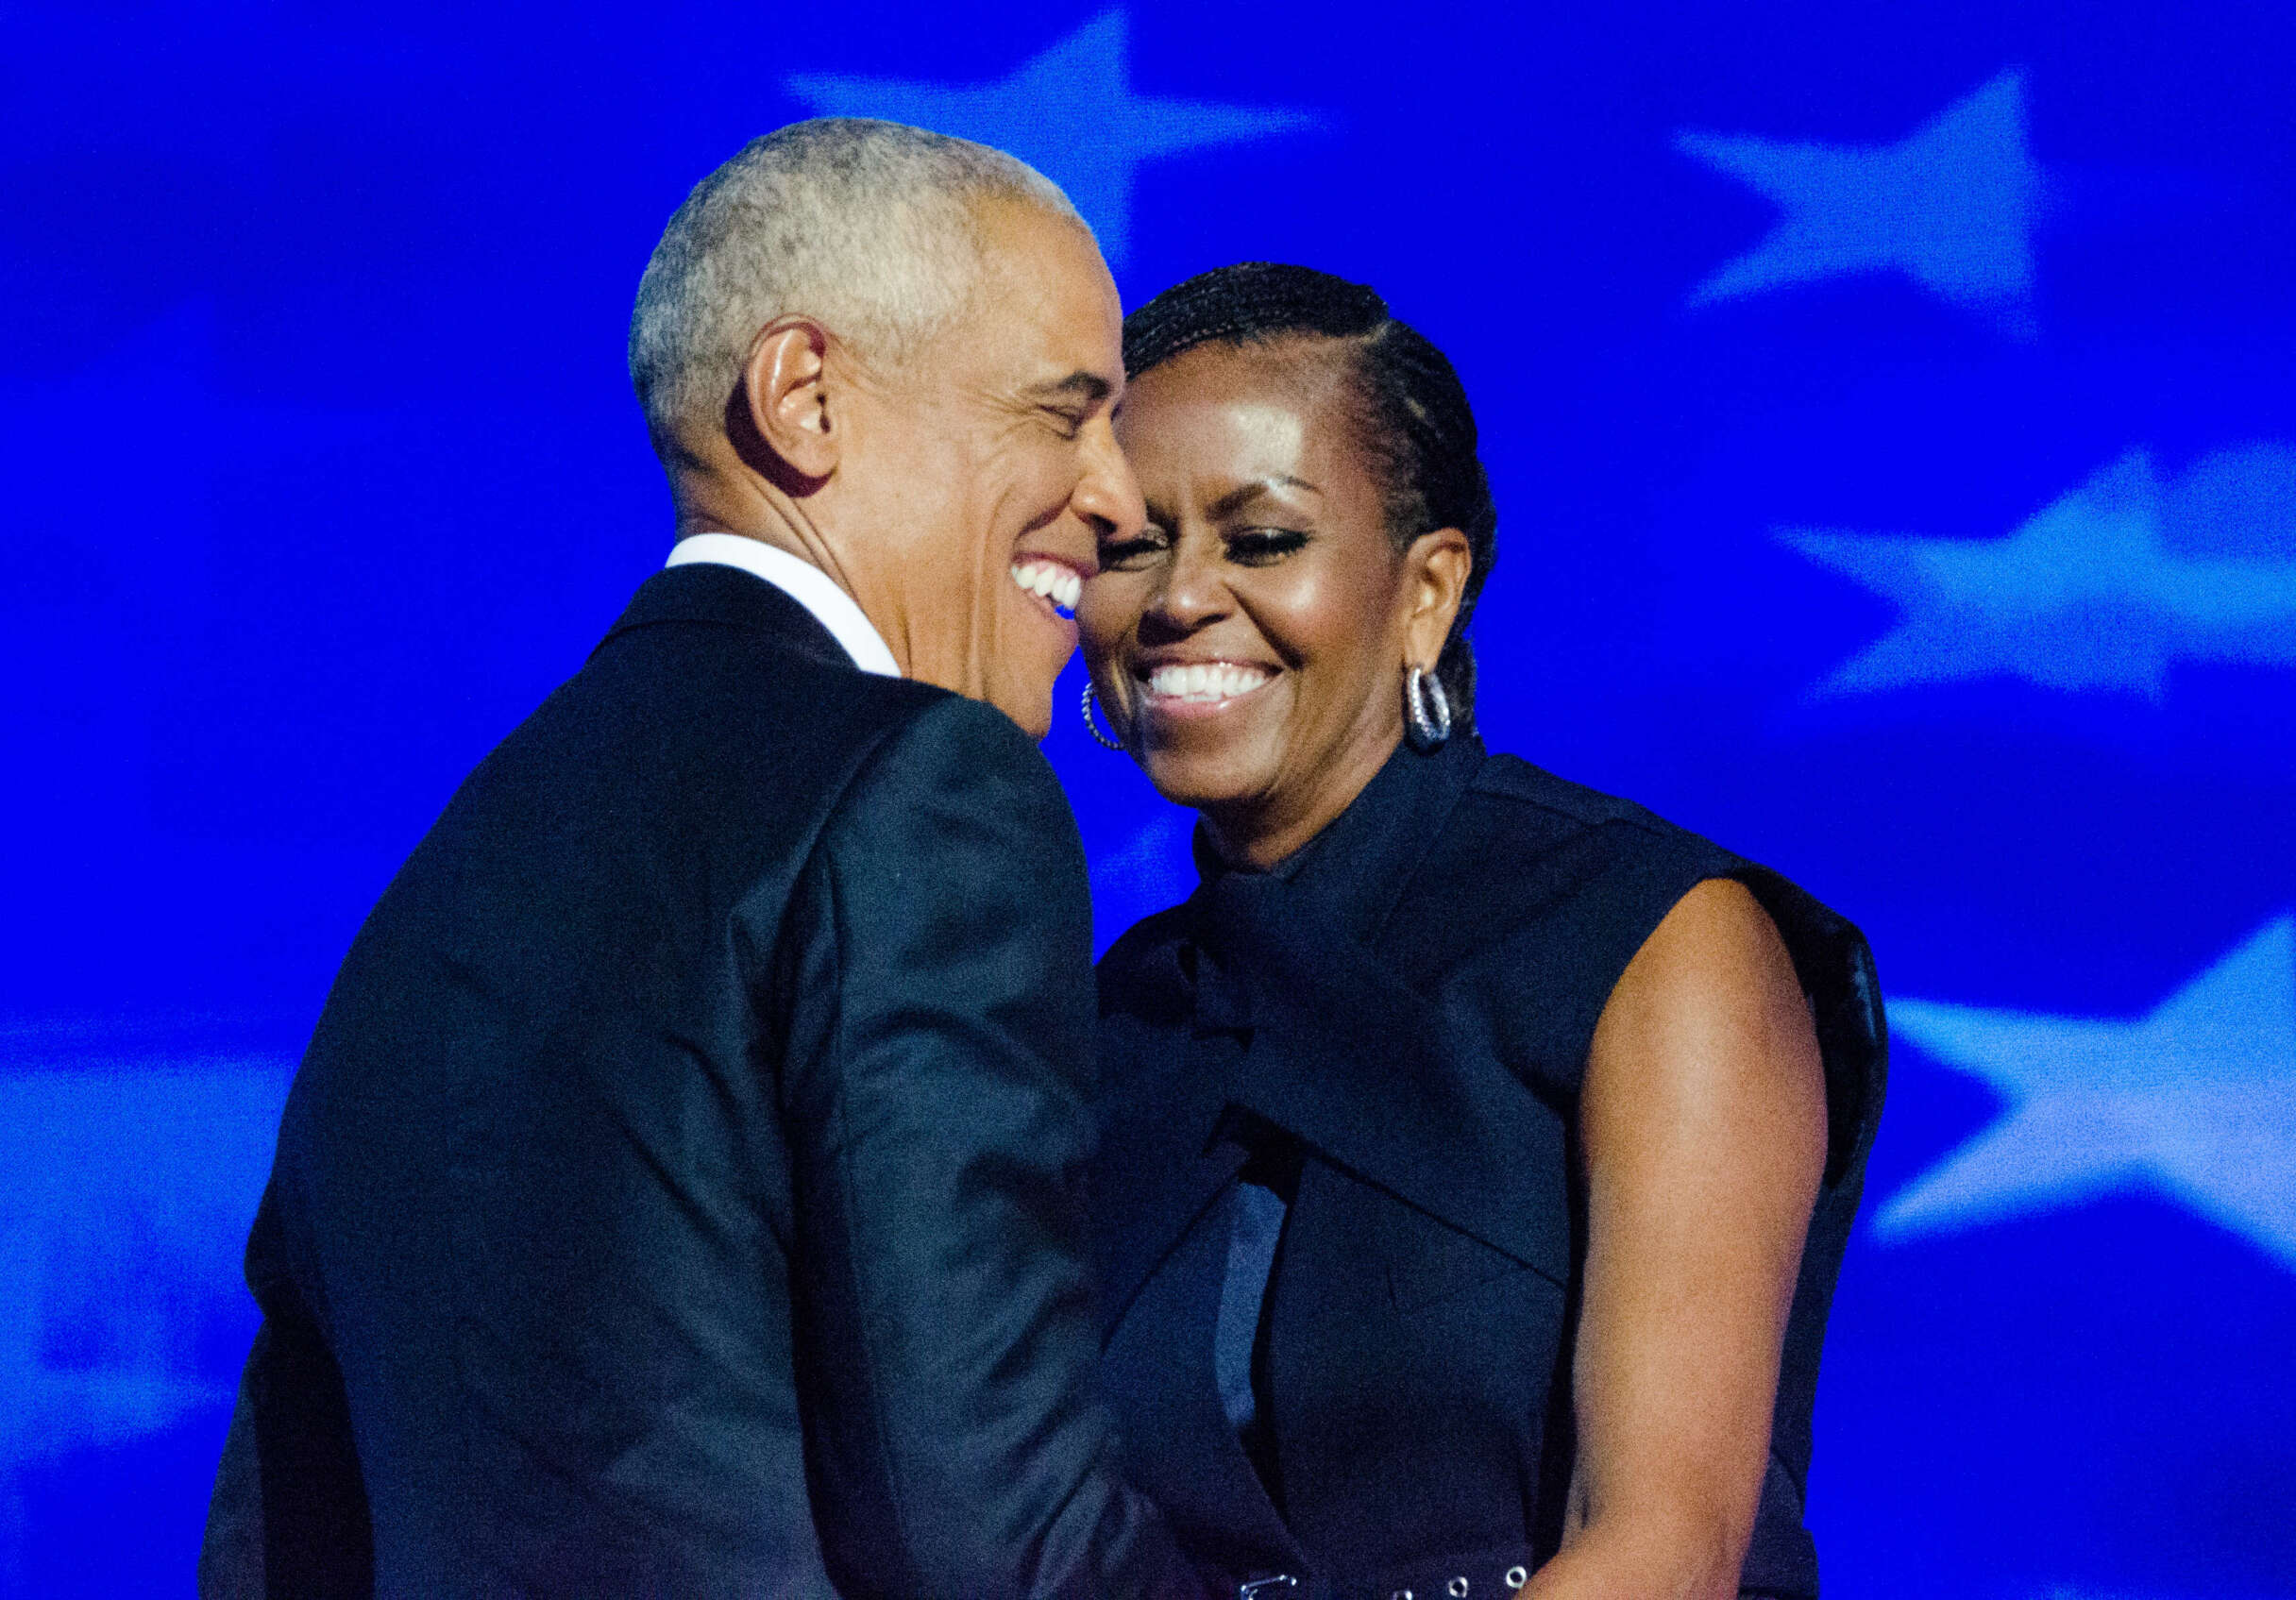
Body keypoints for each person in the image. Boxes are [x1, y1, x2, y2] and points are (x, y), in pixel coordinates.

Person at [200, 119, 1207, 1599]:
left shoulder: (440, 886)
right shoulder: (921, 793)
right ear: (806, 400)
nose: (1119, 501)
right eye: (1067, 416)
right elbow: (990, 1537)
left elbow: (277, 1539)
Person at [1077, 263, 1887, 1600]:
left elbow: (1663, 1553)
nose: (1177, 598)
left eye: (1261, 539)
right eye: (1129, 544)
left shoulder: (1659, 941)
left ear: (1426, 593)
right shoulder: (1117, 1018)